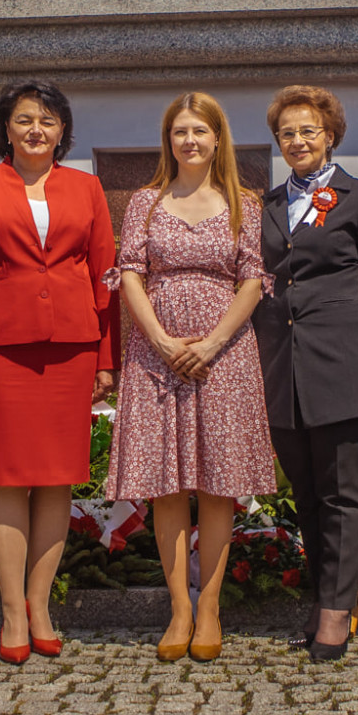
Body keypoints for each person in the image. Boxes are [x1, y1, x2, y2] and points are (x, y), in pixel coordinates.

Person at [0, 80, 118, 663]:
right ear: (7, 129)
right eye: (23, 120)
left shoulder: (87, 189)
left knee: (56, 480)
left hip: (70, 348)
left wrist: (106, 356)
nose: (35, 130)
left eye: (46, 120)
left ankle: (41, 605)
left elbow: (105, 278)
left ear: (62, 130)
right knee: (8, 480)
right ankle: (12, 614)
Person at [106, 92, 274, 663]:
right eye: (180, 131)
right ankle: (179, 605)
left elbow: (252, 278)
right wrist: (158, 339)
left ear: (218, 138)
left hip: (224, 354)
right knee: (168, 484)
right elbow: (129, 272)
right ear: (168, 140)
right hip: (158, 354)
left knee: (217, 483)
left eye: (201, 131)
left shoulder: (242, 204)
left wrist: (212, 342)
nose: (190, 141)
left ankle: (210, 606)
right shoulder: (145, 203)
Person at [252, 85, 358, 662]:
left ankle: (338, 617)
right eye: (287, 133)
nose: (297, 141)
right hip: (282, 370)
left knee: (344, 494)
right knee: (310, 498)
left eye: (308, 131)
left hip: (344, 363)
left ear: (330, 136)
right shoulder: (266, 205)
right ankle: (322, 603)